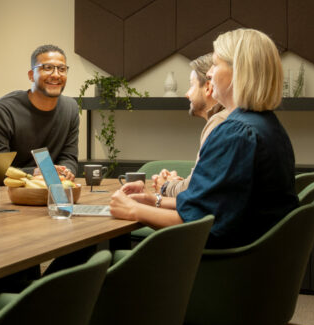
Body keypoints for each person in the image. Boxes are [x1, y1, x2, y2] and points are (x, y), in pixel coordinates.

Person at [109, 28, 298, 248]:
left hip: (223, 263)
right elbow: (213, 206)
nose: (208, 73)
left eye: (215, 64)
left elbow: (198, 225)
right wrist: (154, 200)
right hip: (258, 260)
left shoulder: (235, 133)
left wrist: (133, 210)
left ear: (238, 72)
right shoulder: (267, 125)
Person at [0, 44, 78, 179]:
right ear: (31, 75)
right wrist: (35, 172)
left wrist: (65, 171)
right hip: (11, 189)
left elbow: (69, 157)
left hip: (54, 187)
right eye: (47, 68)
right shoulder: (2, 111)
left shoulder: (70, 108)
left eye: (62, 69)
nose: (56, 75)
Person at [153, 53, 229, 197]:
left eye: (191, 85)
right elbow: (201, 184)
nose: (187, 94)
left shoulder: (220, 123)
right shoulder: (227, 119)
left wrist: (165, 186)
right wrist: (176, 183)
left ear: (208, 87)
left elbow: (195, 189)